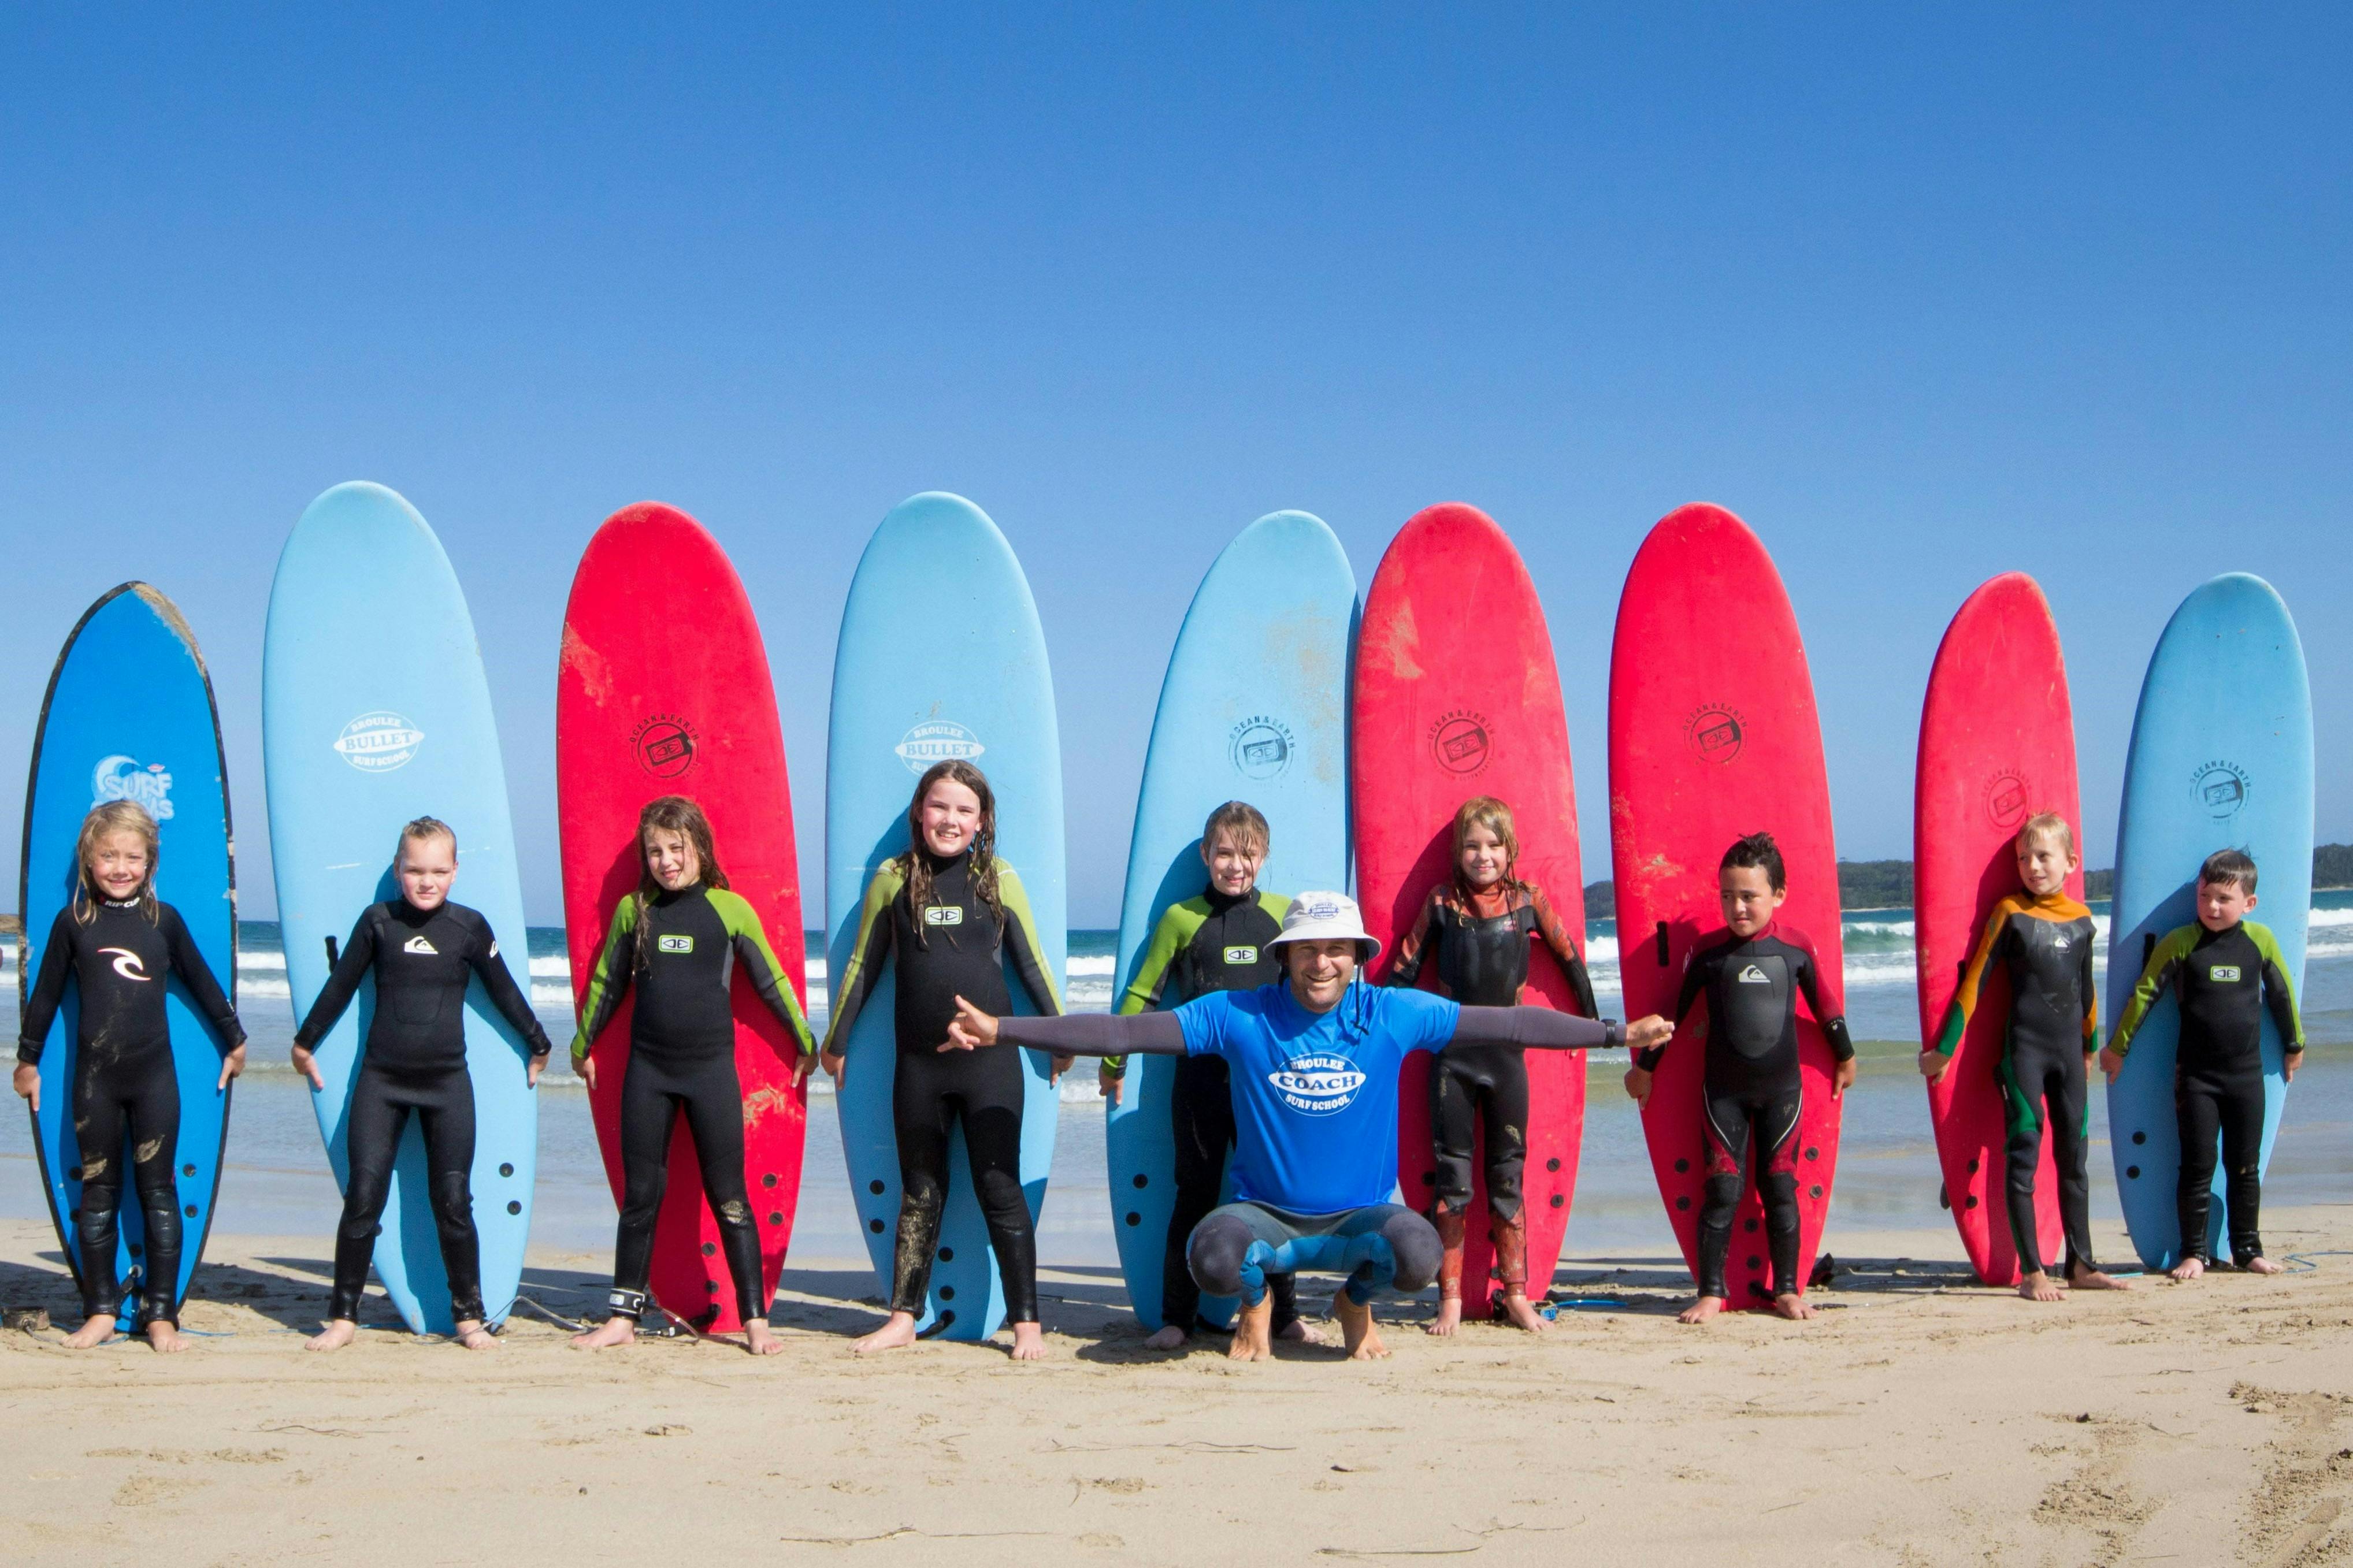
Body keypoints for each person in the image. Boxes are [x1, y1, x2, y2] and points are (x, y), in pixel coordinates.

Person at [946, 891, 1670, 1362]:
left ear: (1357, 957)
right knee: (1212, 1257)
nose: (1321, 962)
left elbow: (1507, 1023)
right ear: (1285, 955)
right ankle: (1256, 1302)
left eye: (1336, 948)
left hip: (1360, 1220)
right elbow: (1122, 1031)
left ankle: (1354, 1303)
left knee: (1419, 1255)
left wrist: (1614, 1032)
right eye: (1307, 948)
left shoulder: (1390, 1013)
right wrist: (1002, 1028)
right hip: (1265, 1218)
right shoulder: (1239, 1015)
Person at [819, 760, 1067, 1360]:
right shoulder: (894, 878)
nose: (950, 820)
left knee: (999, 1187)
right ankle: (904, 1317)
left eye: (964, 809)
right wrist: (836, 1040)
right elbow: (862, 964)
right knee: (920, 1192)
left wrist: (1060, 1036)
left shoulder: (996, 878)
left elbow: (1032, 963)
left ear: (982, 821)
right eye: (939, 806)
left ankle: (1027, 1322)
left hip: (990, 1066)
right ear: (918, 811)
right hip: (920, 1067)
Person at [291, 816, 552, 1350]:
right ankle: (343, 1317)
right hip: (381, 1083)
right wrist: (305, 1043)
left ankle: (469, 1317)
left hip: (446, 1085)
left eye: (437, 871)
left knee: (453, 1202)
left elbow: (503, 990)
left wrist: (539, 1043)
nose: (426, 881)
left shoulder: (469, 927)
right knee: (363, 1197)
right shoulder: (378, 922)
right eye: (415, 870)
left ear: (455, 871)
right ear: (398, 870)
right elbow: (341, 985)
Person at [568, 796, 818, 1354]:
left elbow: (771, 979)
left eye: (676, 848)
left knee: (730, 1198)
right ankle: (623, 1319)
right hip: (649, 1072)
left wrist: (805, 1042)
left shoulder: (730, 909)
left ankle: (755, 1321)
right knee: (641, 1198)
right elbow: (608, 982)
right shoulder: (635, 911)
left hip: (710, 1074)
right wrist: (582, 1045)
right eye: (655, 851)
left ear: (700, 848)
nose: (666, 861)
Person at [13, 801, 246, 1351]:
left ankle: (161, 1313)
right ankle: (100, 1310)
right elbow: (44, 996)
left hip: (154, 1079)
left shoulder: (163, 922)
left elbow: (203, 982)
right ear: (88, 861)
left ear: (150, 862)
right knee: (98, 1191)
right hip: (95, 1082)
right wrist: (27, 1061)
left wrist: (235, 1041)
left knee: (159, 1191)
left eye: (133, 857)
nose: (120, 868)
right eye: (108, 856)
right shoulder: (74, 924)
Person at [1102, 801, 1312, 1350]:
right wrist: (1113, 1061)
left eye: (1247, 854)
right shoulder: (1182, 918)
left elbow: (1308, 997)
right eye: (1224, 853)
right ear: (1205, 854)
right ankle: (1178, 1316)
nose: (1235, 866)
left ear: (1264, 857)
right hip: (1198, 1084)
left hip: (1267, 1087)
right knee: (1193, 1194)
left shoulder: (1284, 916)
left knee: (1274, 1200)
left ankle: (1285, 1314)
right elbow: (1142, 995)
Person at [1384, 796, 1598, 1335]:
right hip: (1452, 1060)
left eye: (1494, 845)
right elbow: (1404, 971)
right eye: (1473, 845)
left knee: (1507, 1179)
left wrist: (1592, 1026)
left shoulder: (1528, 901)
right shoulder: (1441, 903)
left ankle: (1518, 1296)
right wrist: (1375, 1032)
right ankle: (1451, 1299)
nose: (1484, 856)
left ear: (1510, 849)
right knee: (1453, 1183)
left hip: (1507, 1060)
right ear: (1458, 851)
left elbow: (1570, 957)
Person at [1624, 832, 1856, 1325]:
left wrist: (1845, 1057)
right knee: (1722, 1192)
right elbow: (1673, 1017)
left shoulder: (1795, 949)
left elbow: (1827, 1007)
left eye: (1749, 896)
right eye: (1727, 896)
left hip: (1783, 1094)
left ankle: (1788, 1290)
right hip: (1723, 1095)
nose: (1737, 907)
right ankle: (1711, 1291)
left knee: (1781, 1189)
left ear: (1779, 894)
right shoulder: (1710, 954)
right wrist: (1645, 1069)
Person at [1921, 812, 2126, 1301]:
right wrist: (1945, 1050)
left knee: (2075, 1160)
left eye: (2042, 856)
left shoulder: (2082, 921)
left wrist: (2090, 1049)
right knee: (2024, 1155)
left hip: (2069, 1057)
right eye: (2022, 858)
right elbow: (1975, 981)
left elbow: (2087, 993)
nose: (2032, 866)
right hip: (2025, 1053)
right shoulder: (2010, 913)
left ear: (2070, 862)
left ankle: (2081, 1264)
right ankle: (2032, 1271)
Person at [2102, 848, 2304, 1280]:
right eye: (2205, 896)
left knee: (2245, 1167)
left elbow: (2282, 994)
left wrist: (2294, 1044)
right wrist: (2118, 1048)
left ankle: (2247, 1249)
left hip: (2246, 1077)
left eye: (2223, 899)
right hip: (2196, 1079)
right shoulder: (2181, 942)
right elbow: (2145, 993)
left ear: (2249, 903)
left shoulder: (2260, 941)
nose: (2212, 906)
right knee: (2197, 1166)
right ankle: (2193, 1252)